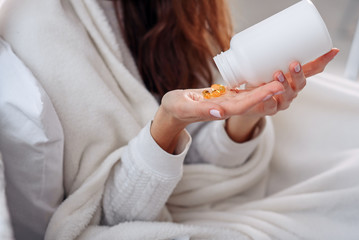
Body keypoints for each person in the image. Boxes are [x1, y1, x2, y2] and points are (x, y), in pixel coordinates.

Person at [2, 0, 357, 240]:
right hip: (160, 209)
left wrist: (245, 118)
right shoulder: (42, 25)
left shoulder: (180, 8)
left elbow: (202, 148)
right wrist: (168, 124)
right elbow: (111, 213)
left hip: (224, 186)